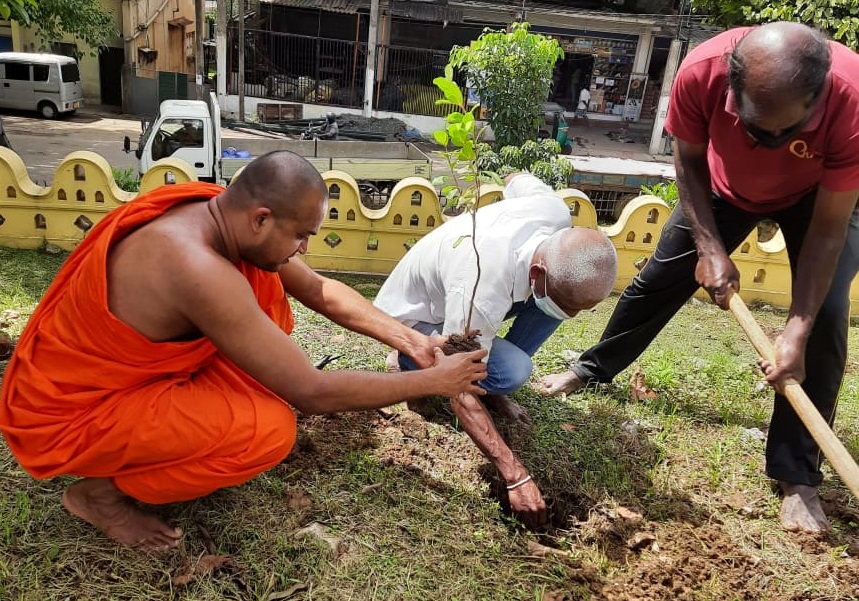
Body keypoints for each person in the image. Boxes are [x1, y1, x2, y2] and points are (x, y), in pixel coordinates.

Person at [0, 150, 488, 551]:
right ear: (261, 218)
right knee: (269, 433)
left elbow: (318, 290)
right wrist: (432, 381)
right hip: (78, 408)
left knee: (266, 296)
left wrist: (415, 343)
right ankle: (98, 497)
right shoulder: (196, 265)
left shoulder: (222, 214)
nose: (303, 249)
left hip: (146, 375)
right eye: (300, 236)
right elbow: (311, 392)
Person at [537, 22, 859, 533]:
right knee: (658, 282)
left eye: (786, 132)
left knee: (825, 321)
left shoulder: (852, 100)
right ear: (732, 89)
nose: (771, 145)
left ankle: (798, 476)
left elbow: (829, 231)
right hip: (720, 189)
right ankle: (590, 369)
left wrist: (795, 329)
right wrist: (709, 248)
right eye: (757, 129)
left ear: (818, 100)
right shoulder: (701, 72)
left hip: (815, 201)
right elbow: (686, 159)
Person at [374, 172, 618, 528]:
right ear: (536, 271)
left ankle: (490, 377)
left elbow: (517, 177)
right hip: (415, 317)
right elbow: (459, 389)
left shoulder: (553, 212)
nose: (574, 317)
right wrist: (514, 474)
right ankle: (408, 360)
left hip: (482, 289)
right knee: (513, 371)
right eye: (570, 306)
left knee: (547, 311)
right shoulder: (479, 287)